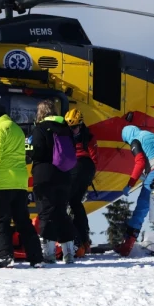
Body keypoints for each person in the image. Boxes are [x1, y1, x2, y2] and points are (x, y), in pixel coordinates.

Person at [0, 102, 44, 268]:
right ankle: (36, 257)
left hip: (3, 182)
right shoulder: (16, 129)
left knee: (1, 222)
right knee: (23, 221)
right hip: (19, 182)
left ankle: (5, 256)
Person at [113, 123, 154, 257]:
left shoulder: (135, 140)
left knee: (141, 208)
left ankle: (127, 245)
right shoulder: (150, 135)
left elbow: (140, 162)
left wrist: (130, 184)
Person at [28, 100, 77, 263]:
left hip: (45, 175)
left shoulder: (40, 128)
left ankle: (48, 253)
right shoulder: (65, 128)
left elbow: (38, 151)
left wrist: (28, 151)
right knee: (62, 212)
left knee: (46, 212)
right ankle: (69, 252)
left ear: (40, 113)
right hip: (64, 175)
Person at [64, 108, 98, 257]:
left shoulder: (87, 137)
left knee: (65, 203)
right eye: (70, 127)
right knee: (76, 203)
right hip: (85, 170)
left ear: (81, 124)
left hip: (79, 167)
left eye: (75, 127)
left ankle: (77, 243)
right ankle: (84, 241)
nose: (72, 130)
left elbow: (94, 157)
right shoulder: (85, 135)